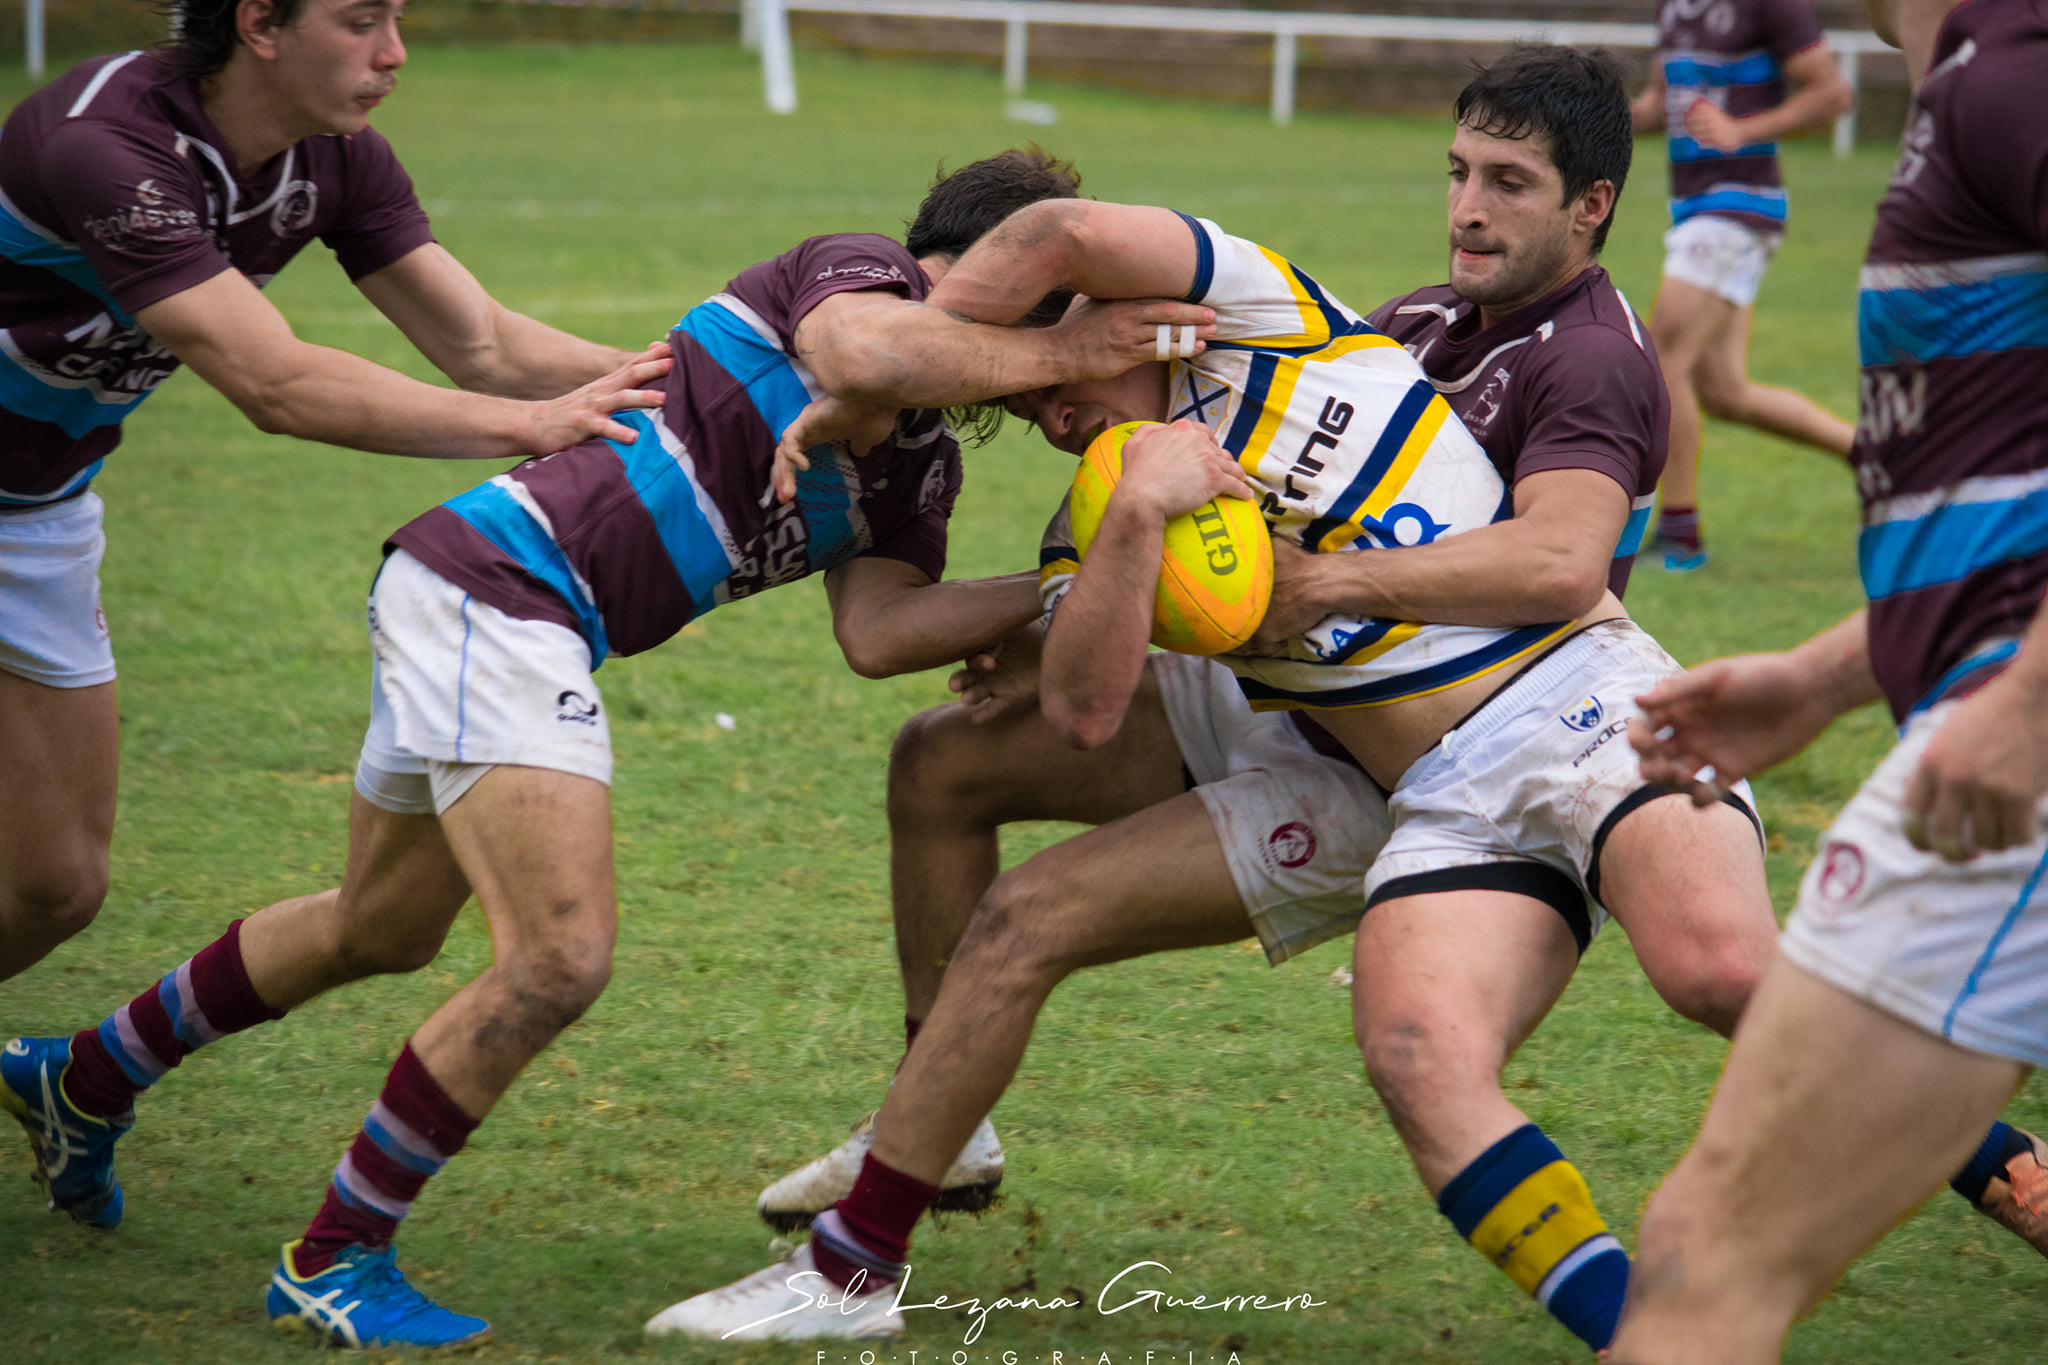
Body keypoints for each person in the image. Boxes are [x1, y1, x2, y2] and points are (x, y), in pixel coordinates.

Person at [647, 49, 1786, 1353]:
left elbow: (1555, 564)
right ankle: (900, 1185)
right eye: (1458, 174)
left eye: (1043, 371)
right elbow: (1052, 694)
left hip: (1509, 726)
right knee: (962, 795)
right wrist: (1114, 539)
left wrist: (899, 366)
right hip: (1343, 743)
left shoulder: (1291, 319)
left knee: (1710, 973)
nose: (1043, 410)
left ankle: (1920, 1150)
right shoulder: (1350, 358)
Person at [0, 148, 1221, 1348]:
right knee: (559, 957)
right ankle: (332, 1259)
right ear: (972, 267)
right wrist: (1072, 352)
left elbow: (880, 630)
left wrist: (1071, 583)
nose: (1033, 366)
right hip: (499, 589)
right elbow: (864, 354)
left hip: (499, 611)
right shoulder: (852, 277)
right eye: (1042, 306)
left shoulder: (918, 463)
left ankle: (85, 1076)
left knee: (379, 925)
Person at [0, 0, 678, 983]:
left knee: (54, 886)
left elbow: (483, 344)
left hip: (40, 512)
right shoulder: (108, 145)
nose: (394, 53)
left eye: (396, 18)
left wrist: (709, 382)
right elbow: (274, 382)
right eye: (360, 21)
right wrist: (534, 426)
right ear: (260, 24)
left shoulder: (336, 158)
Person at [1610, 0, 2048, 1356]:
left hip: (2007, 756)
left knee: (1704, 1257)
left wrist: (2027, 703)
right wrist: (1823, 678)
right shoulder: (1974, 74)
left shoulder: (2015, 69)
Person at [1630, 0, 1855, 571]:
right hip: (1695, 207)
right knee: (1725, 392)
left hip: (1737, 207)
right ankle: (1878, 457)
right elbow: (1660, 104)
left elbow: (1832, 95)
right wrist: (1575, 116)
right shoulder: (1673, 7)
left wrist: (1742, 130)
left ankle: (1679, 533)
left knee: (1661, 358)